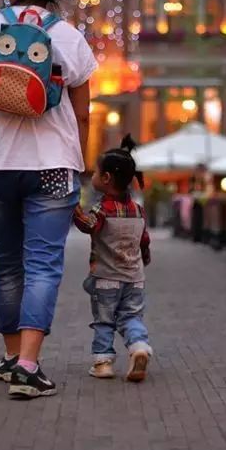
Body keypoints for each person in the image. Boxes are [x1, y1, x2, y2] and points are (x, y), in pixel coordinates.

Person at [0, 0, 96, 399]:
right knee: (43, 265)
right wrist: (86, 161)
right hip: (55, 165)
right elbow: (83, 116)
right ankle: (28, 364)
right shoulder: (70, 38)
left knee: (5, 265)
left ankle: (11, 355)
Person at [72, 135, 153, 382]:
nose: (93, 175)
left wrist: (73, 210)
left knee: (105, 321)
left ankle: (103, 363)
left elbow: (89, 226)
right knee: (131, 317)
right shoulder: (138, 210)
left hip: (106, 277)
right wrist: (144, 260)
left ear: (106, 179)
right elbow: (144, 241)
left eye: (96, 172)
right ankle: (139, 346)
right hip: (135, 278)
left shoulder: (103, 209)